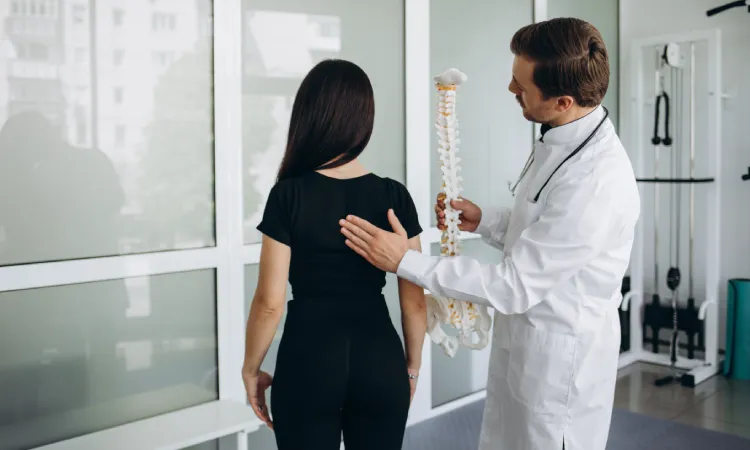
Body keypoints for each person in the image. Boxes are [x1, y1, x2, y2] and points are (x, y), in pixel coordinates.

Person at [339, 18, 640, 450]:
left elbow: (515, 285)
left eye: (521, 86)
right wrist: (484, 220)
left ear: (563, 101)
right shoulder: (561, 136)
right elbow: (541, 227)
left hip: (561, 361)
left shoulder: (596, 182)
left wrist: (404, 260)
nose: (510, 90)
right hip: (527, 344)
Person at [241, 59, 427, 450]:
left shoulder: (288, 194)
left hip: (308, 361)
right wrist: (410, 368)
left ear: (308, 116)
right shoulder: (394, 195)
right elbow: (414, 303)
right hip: (379, 358)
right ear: (364, 119)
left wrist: (251, 369)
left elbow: (270, 303)